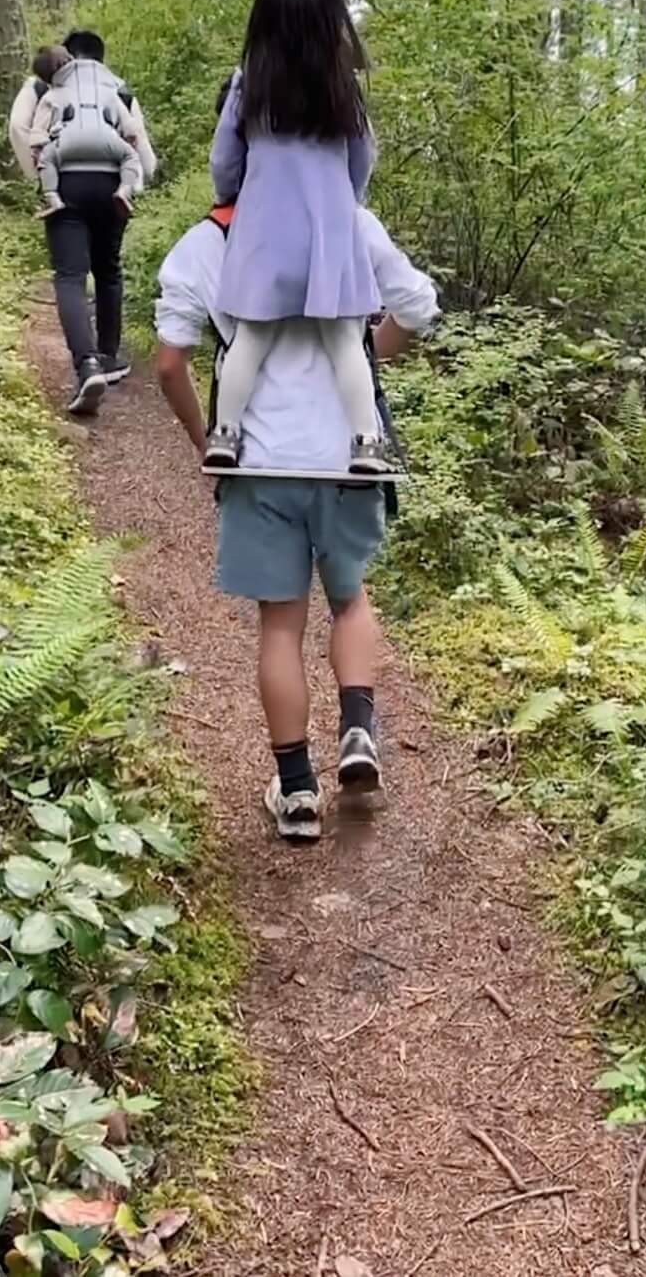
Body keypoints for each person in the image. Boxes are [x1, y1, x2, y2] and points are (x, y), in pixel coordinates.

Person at [154, 201, 439, 841]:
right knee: (350, 600)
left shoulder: (208, 239)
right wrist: (366, 357)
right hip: (348, 460)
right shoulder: (351, 221)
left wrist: (206, 441)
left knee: (280, 625)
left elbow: (171, 363)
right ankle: (359, 732)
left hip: (258, 464)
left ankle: (298, 792)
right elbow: (417, 308)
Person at [202, 0, 390, 479]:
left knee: (252, 340)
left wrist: (230, 195)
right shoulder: (342, 87)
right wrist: (345, 201)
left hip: (264, 229)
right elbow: (362, 157)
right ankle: (366, 441)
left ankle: (225, 434)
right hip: (331, 233)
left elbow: (224, 161)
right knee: (345, 342)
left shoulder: (249, 84)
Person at [7, 30, 160, 415]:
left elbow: (17, 127)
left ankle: (86, 364)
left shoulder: (42, 86)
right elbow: (139, 141)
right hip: (111, 181)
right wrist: (133, 183)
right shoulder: (116, 87)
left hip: (67, 180)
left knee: (70, 276)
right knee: (108, 270)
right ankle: (108, 357)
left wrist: (40, 177)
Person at [23, 46, 145, 221]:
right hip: (107, 142)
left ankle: (52, 199)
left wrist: (38, 151)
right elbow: (130, 127)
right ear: (68, 62)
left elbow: (38, 132)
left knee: (47, 160)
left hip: (66, 145)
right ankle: (124, 191)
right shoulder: (106, 91)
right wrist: (130, 140)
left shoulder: (52, 95)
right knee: (130, 157)